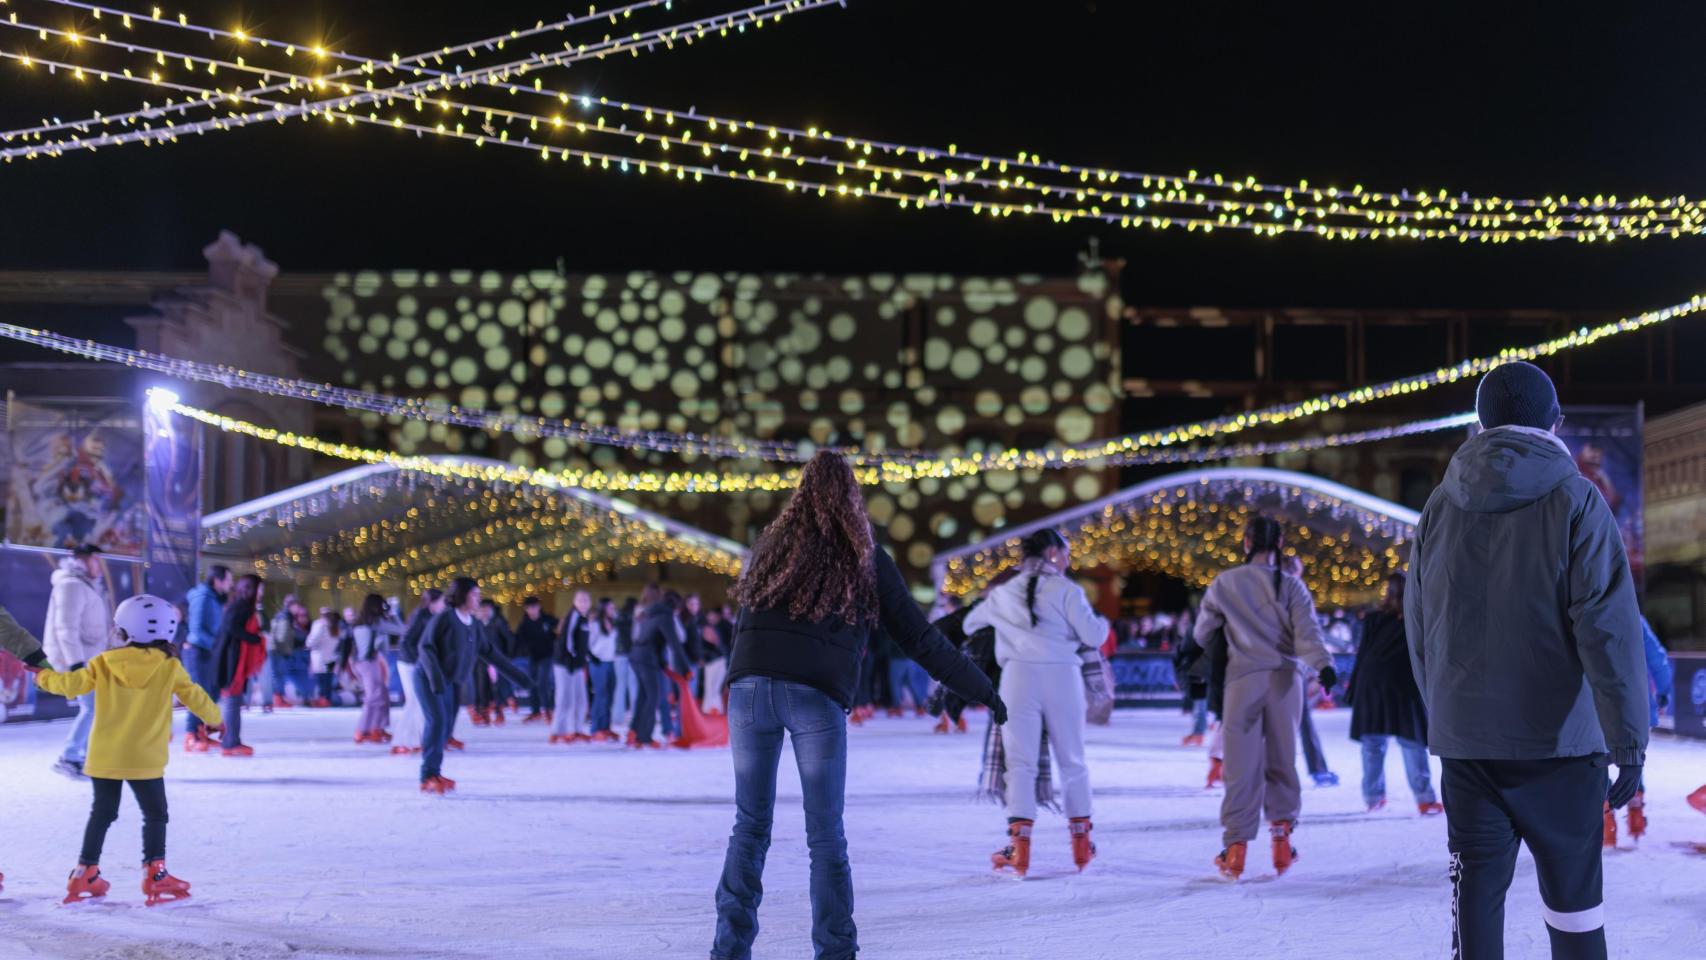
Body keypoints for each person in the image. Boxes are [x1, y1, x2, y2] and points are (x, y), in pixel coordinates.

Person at [712, 451, 1004, 960]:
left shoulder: (770, 547)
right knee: (825, 834)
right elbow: (920, 639)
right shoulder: (863, 556)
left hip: (749, 689)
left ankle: (729, 950)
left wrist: (742, 677)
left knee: (749, 826)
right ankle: (835, 952)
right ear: (852, 498)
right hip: (813, 695)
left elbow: (744, 623)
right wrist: (984, 689)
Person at [1406, 360, 1648, 959]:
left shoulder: (1439, 506)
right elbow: (1607, 630)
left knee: (1476, 912)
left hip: (1469, 750)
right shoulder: (1577, 500)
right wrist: (1628, 742)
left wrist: (1449, 714)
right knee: (1574, 911)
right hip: (1561, 750)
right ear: (1556, 423)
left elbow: (1420, 624)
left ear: (1481, 422)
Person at [34, 594, 223, 906]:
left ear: (124, 629)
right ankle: (155, 874)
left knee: (102, 812)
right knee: (155, 814)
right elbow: (195, 696)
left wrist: (42, 677)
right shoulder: (169, 666)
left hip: (105, 756)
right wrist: (215, 720)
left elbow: (70, 685)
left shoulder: (104, 662)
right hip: (144, 758)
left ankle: (84, 872)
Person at [1195, 516, 1336, 881]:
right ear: (1280, 544)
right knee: (1282, 760)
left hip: (1241, 681)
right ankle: (1281, 842)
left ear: (1246, 543)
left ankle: (1236, 849)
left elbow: (1202, 632)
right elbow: (1308, 634)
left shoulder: (1225, 583)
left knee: (1240, 765)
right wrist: (1323, 666)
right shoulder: (1292, 585)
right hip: (1285, 682)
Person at [964, 528, 1107, 877]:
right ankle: (1081, 844)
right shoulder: (1067, 590)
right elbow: (1094, 635)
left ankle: (1020, 848)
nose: (1068, 559)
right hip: (1063, 677)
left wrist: (1004, 623)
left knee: (1020, 764)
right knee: (1073, 761)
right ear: (1052, 553)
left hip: (1017, 678)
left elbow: (969, 624)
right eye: (1066, 552)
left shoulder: (1003, 592)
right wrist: (1101, 622)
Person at [414, 577, 530, 793]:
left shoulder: (474, 625)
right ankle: (427, 776)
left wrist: (519, 677)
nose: (478, 598)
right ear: (462, 595)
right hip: (428, 678)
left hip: (448, 681)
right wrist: (435, 678)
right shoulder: (445, 618)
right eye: (474, 594)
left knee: (445, 725)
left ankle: (434, 772)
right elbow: (425, 647)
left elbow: (490, 653)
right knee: (437, 721)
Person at [1345, 573, 1440, 815]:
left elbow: (1363, 653)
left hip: (1372, 683)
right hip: (1404, 684)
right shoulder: (1419, 617)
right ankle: (1424, 798)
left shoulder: (1375, 618)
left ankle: (1373, 797)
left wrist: (1354, 690)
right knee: (1412, 741)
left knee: (1373, 743)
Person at [44, 543, 112, 779]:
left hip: (89, 660)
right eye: (96, 560)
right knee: (92, 707)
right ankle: (70, 757)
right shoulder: (71, 585)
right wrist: (76, 665)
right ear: (82, 560)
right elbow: (65, 628)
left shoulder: (85, 585)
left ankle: (80, 756)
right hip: (79, 661)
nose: (100, 566)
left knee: (94, 707)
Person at [1605, 616, 1674, 847]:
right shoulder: (1633, 617)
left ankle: (1605, 824)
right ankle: (1636, 816)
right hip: (1635, 704)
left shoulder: (1580, 609)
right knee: (1634, 754)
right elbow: (1657, 658)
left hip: (1597, 704)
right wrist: (1663, 691)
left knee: (1597, 761)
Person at [1283, 554, 1339, 788]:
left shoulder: (1271, 591)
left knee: (1292, 719)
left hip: (1281, 665)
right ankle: (1317, 769)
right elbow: (1309, 632)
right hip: (1290, 665)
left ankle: (1316, 768)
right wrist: (1321, 664)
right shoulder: (1296, 593)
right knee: (1299, 719)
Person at [212, 574, 267, 758]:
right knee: (233, 700)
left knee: (234, 700)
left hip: (234, 657)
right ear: (251, 589)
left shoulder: (240, 605)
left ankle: (232, 740)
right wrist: (255, 638)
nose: (262, 592)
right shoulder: (241, 605)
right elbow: (232, 629)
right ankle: (230, 742)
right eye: (260, 588)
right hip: (233, 659)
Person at [628, 585, 686, 748]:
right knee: (652, 696)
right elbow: (675, 644)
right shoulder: (665, 616)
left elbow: (655, 640)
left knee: (643, 696)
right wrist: (685, 669)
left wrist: (662, 663)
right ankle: (644, 737)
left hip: (637, 656)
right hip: (646, 659)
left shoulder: (649, 613)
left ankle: (634, 731)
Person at [181, 566, 231, 751]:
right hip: (198, 651)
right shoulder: (202, 597)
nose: (231, 584)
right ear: (217, 580)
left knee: (211, 692)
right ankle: (191, 735)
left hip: (209, 651)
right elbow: (197, 629)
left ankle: (202, 731)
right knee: (199, 693)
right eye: (228, 580)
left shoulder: (215, 599)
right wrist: (217, 646)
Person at [393, 588, 444, 756]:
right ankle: (399, 741)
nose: (443, 605)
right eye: (441, 602)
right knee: (414, 701)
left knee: (419, 702)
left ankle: (417, 741)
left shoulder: (431, 617)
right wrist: (418, 661)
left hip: (418, 663)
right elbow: (406, 641)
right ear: (433, 602)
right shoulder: (420, 616)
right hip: (409, 663)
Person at [347, 594, 404, 744]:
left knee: (382, 695)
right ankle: (363, 730)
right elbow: (402, 629)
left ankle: (377, 728)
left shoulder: (365, 621)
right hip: (366, 663)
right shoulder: (374, 622)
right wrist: (394, 614)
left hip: (365, 662)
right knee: (374, 696)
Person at [551, 590, 594, 744]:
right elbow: (566, 639)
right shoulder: (573, 616)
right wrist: (570, 658)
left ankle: (577, 729)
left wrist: (589, 655)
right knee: (565, 698)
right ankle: (557, 731)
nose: (583, 603)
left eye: (586, 600)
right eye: (580, 600)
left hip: (577, 665)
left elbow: (582, 642)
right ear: (575, 602)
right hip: (565, 664)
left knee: (581, 698)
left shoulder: (584, 618)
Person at [471, 599, 517, 726]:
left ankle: (499, 712)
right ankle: (483, 713)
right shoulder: (476, 624)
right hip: (480, 660)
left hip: (495, 660)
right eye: (482, 610)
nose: (484, 612)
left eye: (487, 609)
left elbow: (510, 640)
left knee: (496, 687)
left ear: (491, 611)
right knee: (481, 687)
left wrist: (507, 656)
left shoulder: (499, 623)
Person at [514, 595, 558, 724]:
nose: (532, 610)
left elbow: (560, 628)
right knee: (532, 683)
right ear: (526, 609)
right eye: (529, 608)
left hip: (547, 656)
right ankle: (535, 711)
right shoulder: (524, 624)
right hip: (533, 657)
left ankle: (548, 710)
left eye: (534, 607)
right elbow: (518, 640)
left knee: (542, 682)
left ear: (539, 607)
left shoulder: (548, 620)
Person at [587, 597, 621, 739]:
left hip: (611, 662)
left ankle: (606, 727)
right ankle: (596, 728)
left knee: (609, 696)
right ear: (604, 609)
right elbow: (588, 643)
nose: (613, 610)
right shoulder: (595, 624)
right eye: (610, 608)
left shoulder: (614, 623)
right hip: (598, 662)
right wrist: (592, 657)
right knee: (600, 695)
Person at [266, 596, 305, 709]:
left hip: (275, 649)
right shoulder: (285, 617)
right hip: (278, 650)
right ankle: (278, 698)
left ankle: (279, 697)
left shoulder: (283, 616)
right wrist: (286, 652)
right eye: (297, 606)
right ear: (291, 605)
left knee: (278, 674)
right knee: (279, 674)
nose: (298, 608)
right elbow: (281, 637)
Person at [304, 608, 344, 708]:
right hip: (331, 657)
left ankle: (322, 699)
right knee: (328, 679)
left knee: (321, 680)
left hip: (319, 656)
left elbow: (313, 641)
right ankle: (327, 699)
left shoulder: (319, 625)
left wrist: (308, 642)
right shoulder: (336, 626)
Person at [612, 597, 639, 731]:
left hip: (620, 654)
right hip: (632, 654)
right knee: (633, 686)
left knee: (620, 686)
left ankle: (618, 717)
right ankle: (635, 716)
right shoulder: (635, 618)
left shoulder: (618, 617)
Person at [698, 607, 729, 716]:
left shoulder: (709, 629)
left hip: (716, 662)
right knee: (712, 688)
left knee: (712, 688)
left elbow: (716, 643)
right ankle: (712, 711)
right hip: (715, 661)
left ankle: (713, 711)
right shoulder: (712, 628)